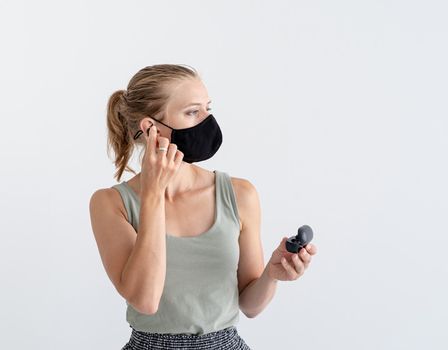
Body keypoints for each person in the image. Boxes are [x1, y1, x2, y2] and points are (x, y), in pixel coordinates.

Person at [89, 64, 318, 350]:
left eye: (207, 109)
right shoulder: (111, 204)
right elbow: (145, 300)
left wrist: (272, 275)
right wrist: (153, 195)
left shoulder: (239, 194)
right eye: (192, 112)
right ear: (150, 128)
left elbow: (250, 305)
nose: (207, 121)